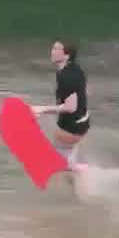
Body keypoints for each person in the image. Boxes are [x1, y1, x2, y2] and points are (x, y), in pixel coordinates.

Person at [32, 39, 89, 169]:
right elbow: (85, 91)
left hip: (72, 128)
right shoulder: (74, 68)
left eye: (57, 49)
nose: (52, 51)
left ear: (66, 55)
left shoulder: (66, 76)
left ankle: (81, 178)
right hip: (82, 121)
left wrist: (42, 109)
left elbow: (70, 107)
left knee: (58, 167)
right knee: (70, 158)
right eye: (53, 48)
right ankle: (79, 168)